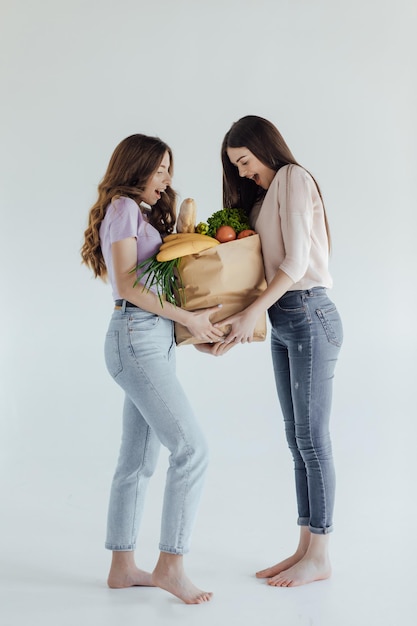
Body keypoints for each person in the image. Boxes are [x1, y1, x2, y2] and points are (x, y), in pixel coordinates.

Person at [81, 133, 223, 604]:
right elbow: (127, 284)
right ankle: (171, 565)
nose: (166, 179)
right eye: (160, 169)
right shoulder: (122, 207)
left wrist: (190, 331)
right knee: (192, 450)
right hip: (135, 338)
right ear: (136, 168)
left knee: (138, 461)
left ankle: (122, 569)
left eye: (168, 169)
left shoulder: (135, 213)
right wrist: (188, 319)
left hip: (149, 340)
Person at [205, 115, 343, 587]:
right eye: (235, 166)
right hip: (285, 318)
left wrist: (252, 315)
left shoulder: (293, 178)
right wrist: (229, 327)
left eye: (244, 161)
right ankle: (305, 546)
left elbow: (296, 261)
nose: (242, 173)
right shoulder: (264, 197)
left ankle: (320, 554)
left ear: (264, 147)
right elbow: (254, 273)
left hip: (308, 313)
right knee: (296, 439)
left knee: (313, 439)